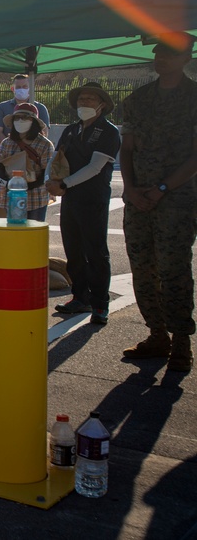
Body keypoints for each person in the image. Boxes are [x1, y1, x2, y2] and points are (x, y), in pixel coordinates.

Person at [118, 34, 197, 372]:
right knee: (143, 267)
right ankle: (156, 335)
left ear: (185, 58)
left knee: (174, 269)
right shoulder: (140, 98)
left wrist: (163, 188)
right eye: (158, 52)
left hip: (176, 200)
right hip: (138, 199)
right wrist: (132, 189)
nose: (160, 57)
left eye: (168, 53)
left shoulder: (193, 98)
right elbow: (127, 148)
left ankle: (181, 340)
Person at [45, 82, 121, 326]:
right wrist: (50, 180)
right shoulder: (71, 130)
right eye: (81, 99)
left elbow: (95, 167)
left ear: (102, 105)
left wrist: (64, 184)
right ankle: (80, 297)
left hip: (92, 199)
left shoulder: (108, 132)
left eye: (90, 99)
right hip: (70, 200)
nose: (84, 103)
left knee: (95, 253)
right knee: (73, 250)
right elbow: (57, 157)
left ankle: (100, 304)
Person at [0, 102, 53, 221]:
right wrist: (8, 183)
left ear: (34, 122)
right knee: (14, 232)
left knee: (34, 233)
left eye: (25, 118)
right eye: (17, 118)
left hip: (36, 198)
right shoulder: (7, 143)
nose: (20, 121)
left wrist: (29, 186)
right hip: (11, 197)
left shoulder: (45, 144)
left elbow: (47, 172)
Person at [0, 74, 51, 143]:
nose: (21, 89)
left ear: (31, 88)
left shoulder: (41, 108)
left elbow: (44, 133)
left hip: (33, 151)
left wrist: (31, 149)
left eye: (24, 87)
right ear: (12, 89)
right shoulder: (2, 107)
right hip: (10, 151)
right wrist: (9, 147)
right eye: (18, 87)